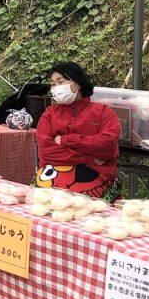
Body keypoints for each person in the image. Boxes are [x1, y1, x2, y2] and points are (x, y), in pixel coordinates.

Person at [34, 62, 121, 198]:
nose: (56, 88)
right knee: (42, 203)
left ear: (78, 84)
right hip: (53, 172)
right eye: (52, 84)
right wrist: (90, 157)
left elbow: (108, 145)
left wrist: (66, 140)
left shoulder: (103, 112)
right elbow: (46, 152)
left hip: (96, 173)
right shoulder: (49, 114)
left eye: (60, 82)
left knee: (85, 204)